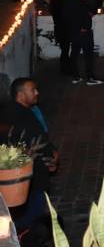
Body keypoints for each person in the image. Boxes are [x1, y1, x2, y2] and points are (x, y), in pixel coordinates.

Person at [4, 78, 60, 232]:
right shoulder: (21, 117)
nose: (37, 92)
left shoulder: (24, 111)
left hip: (27, 180)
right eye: (32, 90)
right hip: (31, 181)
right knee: (28, 222)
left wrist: (52, 150)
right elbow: (34, 142)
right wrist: (50, 158)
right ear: (21, 95)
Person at [63, 0, 103, 85]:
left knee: (74, 54)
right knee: (88, 55)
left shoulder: (66, 2)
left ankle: (76, 76)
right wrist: (84, 27)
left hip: (72, 32)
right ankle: (90, 78)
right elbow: (88, 14)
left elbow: (67, 17)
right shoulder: (80, 2)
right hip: (83, 33)